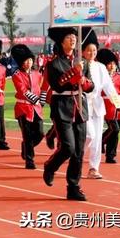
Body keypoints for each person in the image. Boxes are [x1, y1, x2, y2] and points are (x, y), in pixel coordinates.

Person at [43, 26, 94, 201]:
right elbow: (58, 84)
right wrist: (75, 72)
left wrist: (84, 80)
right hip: (62, 108)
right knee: (68, 147)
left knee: (78, 151)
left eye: (74, 36)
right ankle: (50, 166)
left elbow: (91, 86)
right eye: (68, 37)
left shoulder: (83, 61)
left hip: (79, 107)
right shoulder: (53, 64)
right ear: (61, 42)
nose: (73, 39)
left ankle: (73, 186)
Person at [81, 28, 120, 180]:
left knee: (97, 139)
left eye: (94, 50)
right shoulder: (79, 65)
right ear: (83, 51)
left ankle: (93, 168)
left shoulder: (101, 67)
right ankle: (76, 155)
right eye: (89, 50)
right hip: (83, 106)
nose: (92, 53)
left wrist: (118, 103)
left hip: (97, 107)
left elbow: (109, 88)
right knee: (90, 136)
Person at [11, 44, 47, 169]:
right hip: (23, 109)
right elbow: (22, 91)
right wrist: (36, 99)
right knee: (27, 135)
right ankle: (29, 160)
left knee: (40, 133)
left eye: (30, 60)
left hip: (36, 109)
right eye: (26, 61)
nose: (29, 63)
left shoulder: (37, 73)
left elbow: (42, 87)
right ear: (21, 62)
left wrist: (42, 100)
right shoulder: (17, 75)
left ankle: (26, 146)